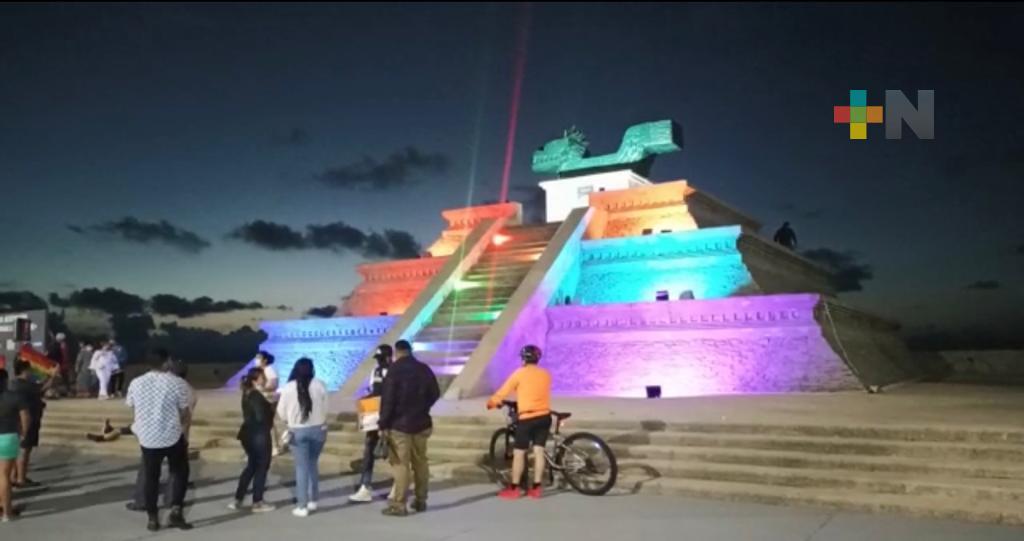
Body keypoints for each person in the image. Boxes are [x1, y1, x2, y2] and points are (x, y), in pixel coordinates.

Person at [125, 349, 194, 531]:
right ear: (166, 362)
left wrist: (142, 428)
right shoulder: (177, 383)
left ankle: (152, 518)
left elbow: (133, 409)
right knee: (180, 473)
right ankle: (176, 512)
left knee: (151, 477)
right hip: (171, 436)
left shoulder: (136, 383)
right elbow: (185, 413)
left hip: (147, 438)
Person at [379, 340, 440, 517]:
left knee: (401, 464)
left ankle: (399, 504)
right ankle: (421, 500)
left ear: (397, 352)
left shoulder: (394, 370)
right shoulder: (424, 369)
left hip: (400, 425)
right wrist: (423, 407)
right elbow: (435, 393)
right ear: (410, 351)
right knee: (421, 461)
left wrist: (383, 423)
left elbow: (388, 399)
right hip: (421, 422)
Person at [487, 345, 553, 500]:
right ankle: (536, 488)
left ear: (523, 358)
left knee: (519, 453)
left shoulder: (519, 374)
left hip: (527, 418)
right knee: (538, 451)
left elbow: (503, 391)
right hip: (544, 416)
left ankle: (514, 488)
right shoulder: (546, 374)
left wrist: (492, 402)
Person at [276, 358, 329, 518]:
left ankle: (302, 505)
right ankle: (313, 499)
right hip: (318, 430)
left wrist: (290, 421)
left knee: (301, 467)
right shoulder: (320, 385)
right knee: (312, 463)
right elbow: (326, 408)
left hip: (298, 431)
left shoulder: (289, 387)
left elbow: (281, 412)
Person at [350, 344, 393, 503]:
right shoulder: (378, 371)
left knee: (378, 451)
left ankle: (368, 487)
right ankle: (366, 486)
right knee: (371, 450)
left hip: (384, 416)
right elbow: (372, 391)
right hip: (376, 415)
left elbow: (377, 391)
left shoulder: (386, 371)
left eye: (381, 358)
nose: (380, 362)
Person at [229, 367, 276, 513]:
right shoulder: (255, 395)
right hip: (259, 435)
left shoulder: (247, 393)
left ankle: (238, 499)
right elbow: (261, 417)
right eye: (262, 377)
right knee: (261, 467)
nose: (265, 379)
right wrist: (272, 407)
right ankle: (257, 501)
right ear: (256, 379)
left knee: (251, 466)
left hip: (248, 434)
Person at [0, 368, 30, 522]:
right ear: (5, 381)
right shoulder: (14, 397)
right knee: (4, 475)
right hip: (8, 436)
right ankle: (7, 512)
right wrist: (23, 433)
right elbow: (25, 417)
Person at [9, 360, 45, 489]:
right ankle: (20, 478)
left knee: (19, 450)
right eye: (30, 370)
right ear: (24, 370)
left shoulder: (14, 384)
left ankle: (15, 476)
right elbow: (41, 389)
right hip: (28, 421)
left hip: (19, 421)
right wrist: (54, 376)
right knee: (24, 450)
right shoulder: (24, 385)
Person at [254, 351, 281, 455]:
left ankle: (275, 447)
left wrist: (261, 388)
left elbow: (273, 385)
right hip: (262, 399)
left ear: (265, 360)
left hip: (269, 399)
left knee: (268, 424)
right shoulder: (261, 370)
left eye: (258, 358)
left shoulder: (269, 369)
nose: (256, 360)